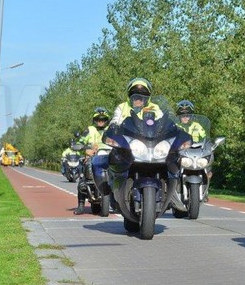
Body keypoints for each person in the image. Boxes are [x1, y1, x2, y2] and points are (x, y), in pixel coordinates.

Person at [107, 78, 191, 212]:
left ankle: (172, 196)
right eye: (135, 95)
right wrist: (112, 127)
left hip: (152, 145)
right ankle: (113, 191)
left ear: (148, 97)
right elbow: (115, 120)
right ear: (130, 95)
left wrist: (176, 129)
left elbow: (166, 123)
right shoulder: (122, 107)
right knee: (112, 157)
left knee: (173, 160)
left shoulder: (155, 108)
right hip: (129, 146)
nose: (138, 98)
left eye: (142, 96)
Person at [74, 107, 111, 215]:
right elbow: (80, 142)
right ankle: (81, 205)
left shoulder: (112, 129)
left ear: (107, 119)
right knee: (84, 177)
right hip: (93, 156)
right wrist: (86, 150)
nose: (101, 121)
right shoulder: (89, 130)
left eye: (103, 119)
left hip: (110, 156)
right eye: (98, 119)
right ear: (95, 119)